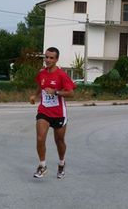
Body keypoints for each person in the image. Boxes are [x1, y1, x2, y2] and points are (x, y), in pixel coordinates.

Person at [30, 47, 76, 179]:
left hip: (59, 113)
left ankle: (61, 163)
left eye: (51, 58)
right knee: (40, 138)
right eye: (46, 57)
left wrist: (56, 92)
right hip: (44, 110)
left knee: (59, 140)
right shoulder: (42, 73)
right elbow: (40, 86)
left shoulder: (61, 75)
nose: (48, 60)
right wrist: (35, 96)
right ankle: (42, 166)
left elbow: (71, 93)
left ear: (56, 59)